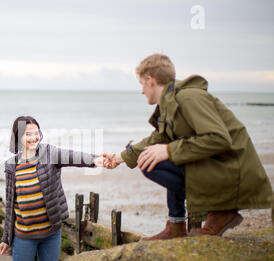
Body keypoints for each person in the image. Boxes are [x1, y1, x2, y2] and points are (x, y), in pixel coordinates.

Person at [103, 53, 272, 240]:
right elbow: (155, 140)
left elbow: (218, 138)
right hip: (218, 167)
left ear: (150, 80)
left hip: (232, 170)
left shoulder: (189, 98)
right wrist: (119, 158)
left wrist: (168, 151)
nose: (142, 91)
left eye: (141, 84)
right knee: (151, 156)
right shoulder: (170, 102)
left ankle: (222, 211)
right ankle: (175, 225)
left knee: (152, 162)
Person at [0, 115, 105, 261]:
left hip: (51, 234)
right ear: (18, 137)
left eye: (36, 133)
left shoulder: (50, 153)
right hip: (24, 237)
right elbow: (10, 205)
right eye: (28, 134)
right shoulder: (11, 166)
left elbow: (75, 156)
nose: (33, 138)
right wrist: (6, 238)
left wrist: (97, 160)